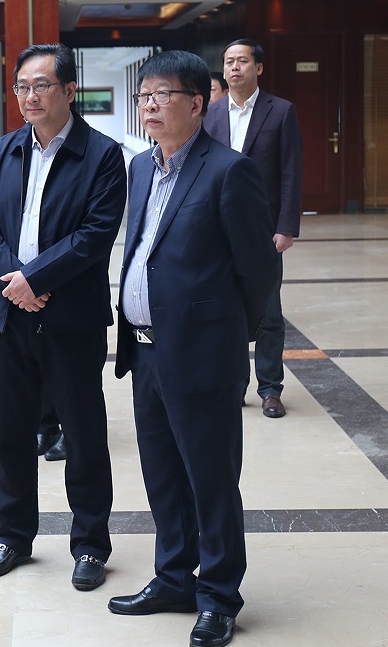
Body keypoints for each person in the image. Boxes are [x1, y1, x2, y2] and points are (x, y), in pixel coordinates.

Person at [106, 51, 277, 647]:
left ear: (197, 103)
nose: (149, 105)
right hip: (146, 351)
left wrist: (224, 336)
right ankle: (175, 578)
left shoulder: (229, 171)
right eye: (144, 96)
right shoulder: (139, 166)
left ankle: (219, 595)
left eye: (162, 95)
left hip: (202, 353)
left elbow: (258, 271)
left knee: (210, 479)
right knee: (162, 475)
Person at [0, 43, 125, 592]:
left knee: (83, 434)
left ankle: (91, 545)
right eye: (22, 87)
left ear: (69, 90)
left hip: (71, 320)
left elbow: (95, 234)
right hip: (9, 317)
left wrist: (34, 280)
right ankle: (13, 536)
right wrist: (13, 282)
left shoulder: (102, 155)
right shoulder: (4, 149)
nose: (29, 97)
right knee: (12, 433)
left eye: (41, 85)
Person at [204, 38, 303, 418]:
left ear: (258, 68)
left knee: (269, 313)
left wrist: (286, 226)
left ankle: (270, 389)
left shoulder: (281, 111)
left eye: (242, 61)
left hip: (263, 231)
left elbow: (291, 172)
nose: (234, 67)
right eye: (228, 61)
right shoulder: (210, 113)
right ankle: (234, 385)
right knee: (224, 311)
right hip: (217, 230)